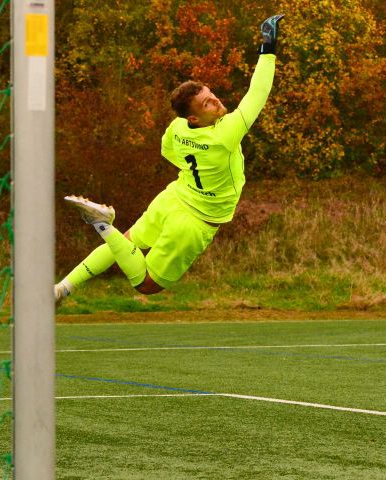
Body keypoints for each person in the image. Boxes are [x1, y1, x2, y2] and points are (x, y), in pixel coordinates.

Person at [54, 14, 285, 303]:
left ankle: (62, 288)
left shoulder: (176, 128)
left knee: (125, 244)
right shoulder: (227, 132)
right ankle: (102, 224)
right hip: (195, 222)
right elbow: (258, 93)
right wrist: (268, 47)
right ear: (194, 117)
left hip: (173, 198)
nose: (215, 100)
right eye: (206, 103)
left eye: (211, 94)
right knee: (147, 286)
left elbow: (168, 152)